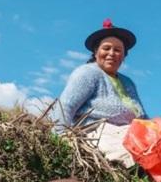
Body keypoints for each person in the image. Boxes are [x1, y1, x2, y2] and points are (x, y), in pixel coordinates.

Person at [54, 18, 148, 167]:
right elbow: (65, 105)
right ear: (96, 51)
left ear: (124, 56)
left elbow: (143, 117)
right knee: (133, 157)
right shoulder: (88, 73)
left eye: (118, 50)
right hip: (99, 132)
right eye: (106, 48)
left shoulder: (128, 82)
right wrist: (61, 138)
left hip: (132, 133)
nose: (112, 53)